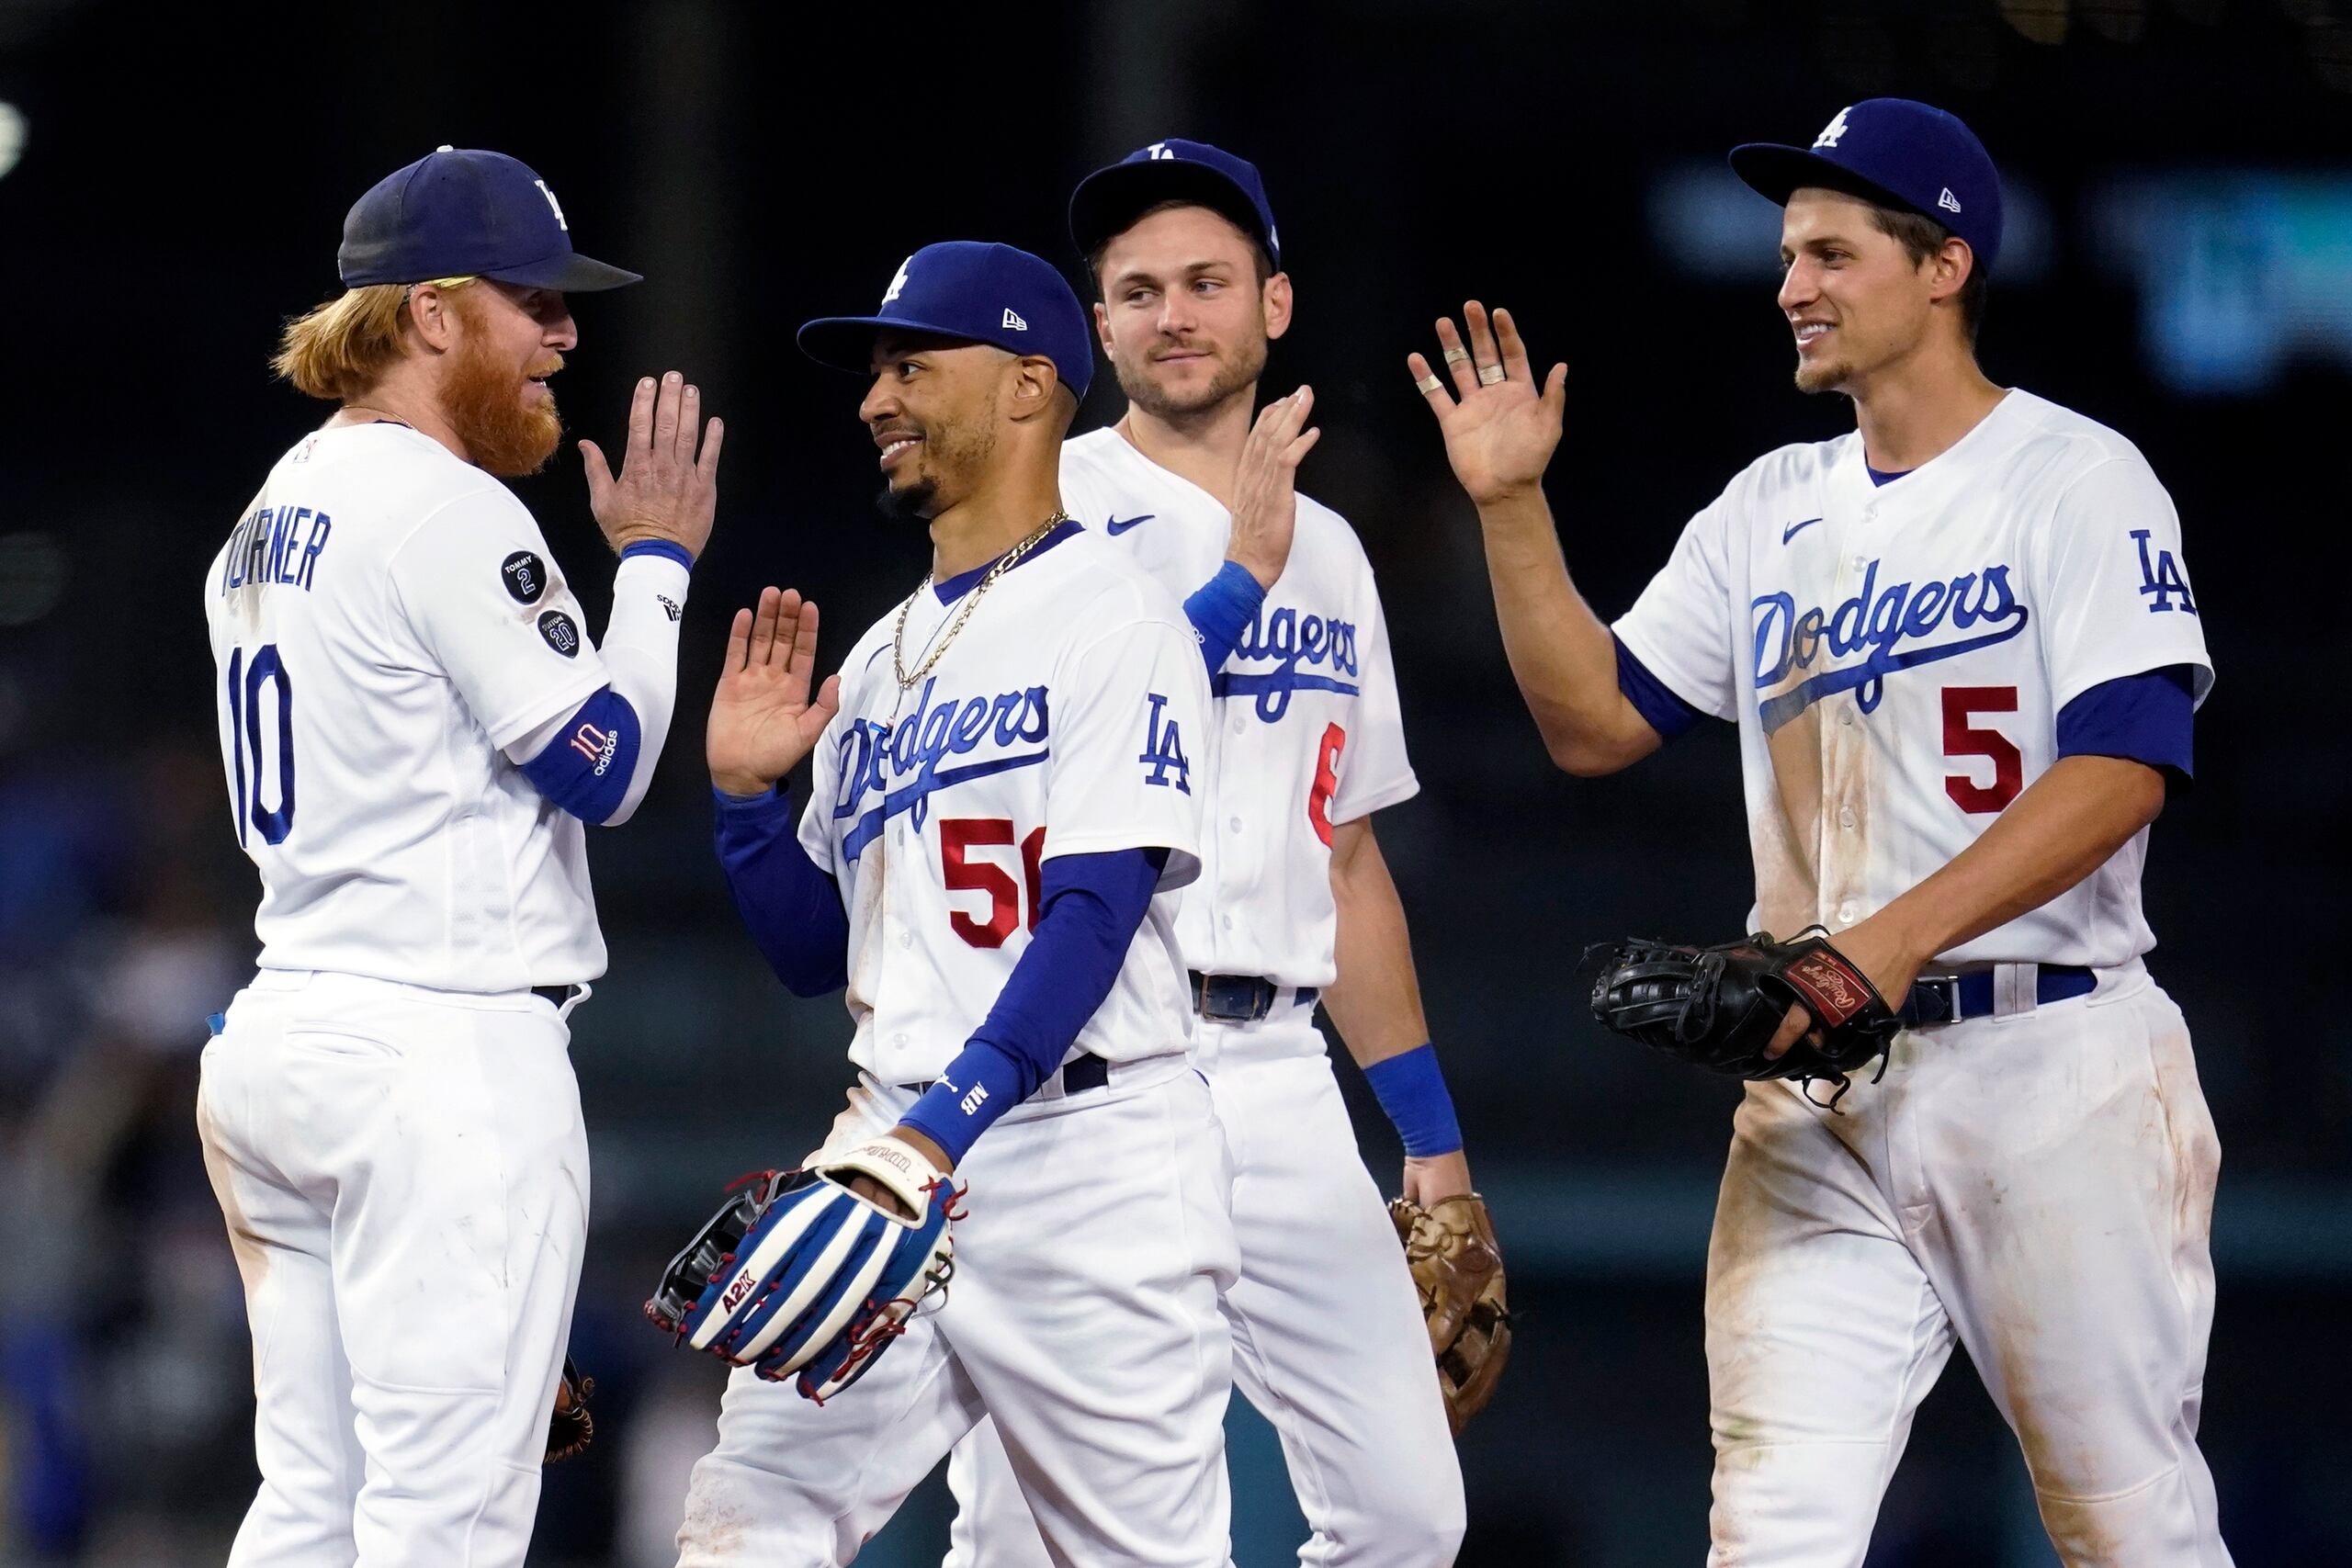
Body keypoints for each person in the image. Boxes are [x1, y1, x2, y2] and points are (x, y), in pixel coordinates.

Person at [1412, 99, 2229, 1565]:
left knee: (2129, 1533)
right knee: (1773, 1531)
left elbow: (2127, 768)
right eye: (1790, 253)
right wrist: (1515, 505)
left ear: (1944, 266)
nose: (1793, 284)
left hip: (2052, 1064)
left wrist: (1876, 948)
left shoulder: (2074, 478)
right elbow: (1594, 724)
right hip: (1818, 1089)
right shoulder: (1767, 507)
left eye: (1833, 253)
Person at [944, 139, 1471, 1568]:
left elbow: (1348, 862)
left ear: (1274, 305)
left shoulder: (1338, 552)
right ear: (1097, 325)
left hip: (1283, 1074)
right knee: (1022, 1540)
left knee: (1410, 1520)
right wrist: (1235, 575)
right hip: (1090, 1076)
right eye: (1137, 290)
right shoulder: (1030, 513)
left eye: (1205, 282)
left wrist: (1432, 1143)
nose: (1173, 313)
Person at [198, 145, 722, 1566]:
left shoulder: (261, 521)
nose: (563, 333)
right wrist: (659, 569)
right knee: (450, 1520)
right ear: (431, 313)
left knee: (310, 1503)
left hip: (283, 1038)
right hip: (434, 1060)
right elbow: (601, 769)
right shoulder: (446, 506)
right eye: (531, 298)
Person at [672, 241, 1232, 1567]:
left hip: (1086, 1162)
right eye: (875, 371)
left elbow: (1095, 914)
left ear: (1030, 386)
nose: (877, 398)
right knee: (746, 1530)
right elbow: (819, 955)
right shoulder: (876, 660)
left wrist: (945, 1129)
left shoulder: (1118, 619)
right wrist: (748, 803)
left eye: (913, 364)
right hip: (889, 1142)